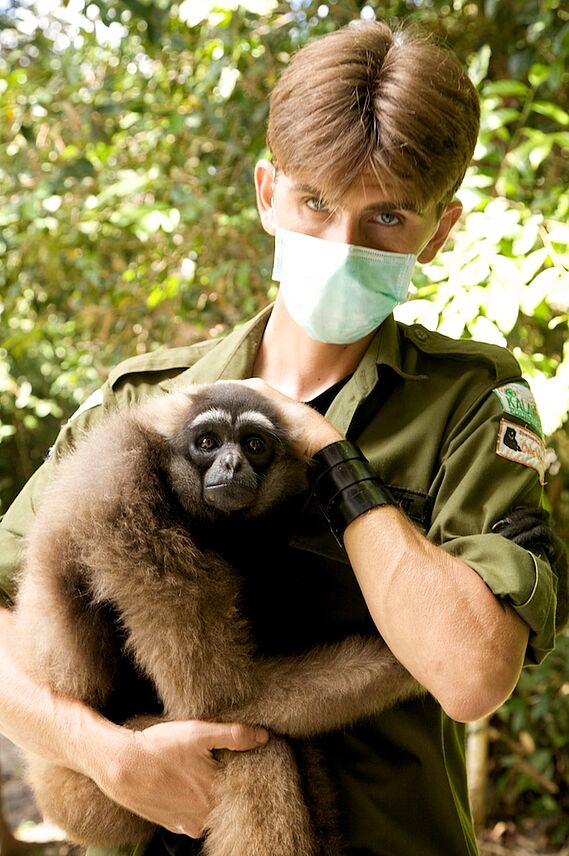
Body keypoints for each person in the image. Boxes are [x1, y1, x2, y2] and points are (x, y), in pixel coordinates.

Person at [0, 19, 565, 856]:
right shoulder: (144, 401)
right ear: (267, 192)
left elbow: (470, 675)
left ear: (437, 234)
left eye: (385, 218)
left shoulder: (468, 404)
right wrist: (106, 755)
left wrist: (327, 454)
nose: (340, 246)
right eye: (315, 202)